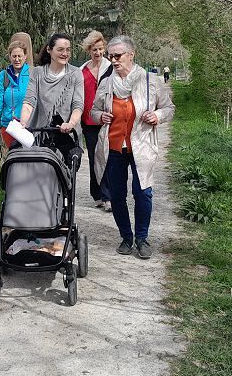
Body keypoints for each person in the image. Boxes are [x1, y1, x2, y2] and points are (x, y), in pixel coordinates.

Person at [90, 35, 175, 260]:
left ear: (131, 54)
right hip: (114, 147)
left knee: (143, 193)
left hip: (142, 146)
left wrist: (157, 115)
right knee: (117, 195)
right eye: (111, 56)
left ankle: (142, 239)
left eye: (118, 56)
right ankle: (126, 238)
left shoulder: (149, 81)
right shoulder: (106, 83)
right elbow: (93, 111)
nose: (113, 60)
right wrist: (100, 116)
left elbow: (169, 108)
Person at [20, 33, 84, 162]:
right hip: (40, 134)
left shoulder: (76, 73)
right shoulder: (37, 73)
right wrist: (23, 123)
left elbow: (78, 104)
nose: (65, 53)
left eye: (68, 50)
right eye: (60, 50)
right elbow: (29, 101)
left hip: (66, 136)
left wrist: (71, 124)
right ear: (49, 50)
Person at [79, 30, 112, 212]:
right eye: (94, 50)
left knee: (106, 157)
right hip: (88, 121)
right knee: (93, 157)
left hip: (107, 119)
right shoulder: (82, 70)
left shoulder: (110, 68)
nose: (98, 52)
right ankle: (97, 194)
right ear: (89, 50)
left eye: (100, 49)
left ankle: (108, 196)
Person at [0, 36, 31, 148]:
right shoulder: (3, 76)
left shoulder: (33, 74)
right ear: (10, 57)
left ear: (25, 56)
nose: (17, 59)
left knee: (30, 157)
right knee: (14, 157)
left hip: (30, 127)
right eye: (14, 56)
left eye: (20, 56)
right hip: (9, 127)